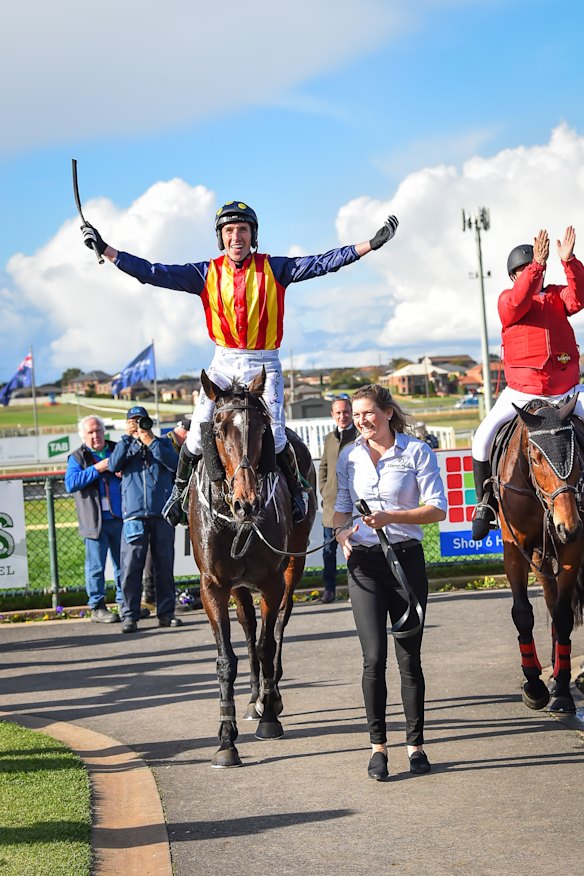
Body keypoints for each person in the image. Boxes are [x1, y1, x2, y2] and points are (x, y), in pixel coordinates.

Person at [80, 202, 399, 525]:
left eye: (243, 230)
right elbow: (153, 273)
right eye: (229, 230)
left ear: (253, 235)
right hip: (224, 362)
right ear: (221, 237)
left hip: (264, 363)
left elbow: (322, 263)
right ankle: (179, 492)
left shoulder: (275, 268)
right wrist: (106, 250)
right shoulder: (205, 273)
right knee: (197, 434)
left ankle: (296, 490)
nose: (236, 237)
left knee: (276, 436)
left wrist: (369, 245)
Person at [333, 384, 446, 781]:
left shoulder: (416, 451)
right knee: (373, 658)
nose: (361, 420)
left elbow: (437, 509)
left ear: (387, 412)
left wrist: (391, 517)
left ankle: (415, 746)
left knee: (409, 659)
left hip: (405, 562)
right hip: (364, 564)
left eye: (368, 412)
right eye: (356, 414)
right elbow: (341, 509)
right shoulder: (349, 455)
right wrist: (341, 533)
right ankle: (377, 748)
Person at [471, 226, 584, 541]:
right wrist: (537, 264)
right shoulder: (508, 301)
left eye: (534, 268)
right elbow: (521, 298)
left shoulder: (557, 296)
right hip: (522, 392)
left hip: (567, 392)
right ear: (513, 276)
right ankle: (484, 505)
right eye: (523, 270)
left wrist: (569, 261)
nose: (532, 272)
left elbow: (579, 297)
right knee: (483, 436)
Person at [108, 405, 181, 633]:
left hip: (161, 514)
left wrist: (150, 441)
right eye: (134, 420)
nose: (139, 424)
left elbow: (174, 464)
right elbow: (113, 465)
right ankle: (129, 615)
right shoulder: (124, 445)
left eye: (142, 420)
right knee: (131, 569)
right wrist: (127, 438)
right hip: (134, 516)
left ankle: (166, 614)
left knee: (164, 567)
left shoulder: (162, 444)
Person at [65, 415, 123, 623]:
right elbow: (71, 483)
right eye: (90, 432)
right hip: (94, 522)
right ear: (83, 436)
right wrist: (98, 468)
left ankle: (125, 604)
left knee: (123, 565)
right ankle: (97, 607)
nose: (95, 435)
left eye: (98, 430)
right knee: (96, 567)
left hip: (120, 518)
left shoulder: (117, 449)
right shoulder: (77, 457)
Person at [142, 415, 191, 608]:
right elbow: (174, 467)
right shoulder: (163, 444)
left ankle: (155, 593)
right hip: (160, 505)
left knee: (162, 553)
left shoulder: (167, 443)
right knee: (156, 553)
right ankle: (150, 592)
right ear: (186, 432)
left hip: (166, 504)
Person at [318, 397, 358, 603]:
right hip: (331, 506)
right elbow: (323, 467)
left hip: (353, 507)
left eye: (346, 412)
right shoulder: (329, 438)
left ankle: (357, 591)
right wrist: (324, 490)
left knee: (354, 551)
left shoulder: (360, 437)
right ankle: (329, 590)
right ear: (333, 415)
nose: (343, 416)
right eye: (338, 413)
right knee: (328, 551)